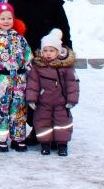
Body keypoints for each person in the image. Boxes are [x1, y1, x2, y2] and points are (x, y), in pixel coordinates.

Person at [5, 0, 72, 146]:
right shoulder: (14, 0)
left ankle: (41, 131)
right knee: (23, 95)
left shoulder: (53, 3)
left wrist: (65, 54)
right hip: (18, 58)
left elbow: (64, 31)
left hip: (46, 59)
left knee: (44, 96)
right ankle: (28, 127)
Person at [0, 2, 32, 153]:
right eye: (2, 18)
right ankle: (1, 138)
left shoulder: (21, 40)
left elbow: (29, 59)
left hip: (19, 81)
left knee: (19, 110)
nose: (6, 21)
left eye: (9, 18)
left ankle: (18, 138)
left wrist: (32, 77)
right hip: (0, 81)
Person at [26, 29, 79, 157]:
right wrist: (32, 99)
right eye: (45, 51)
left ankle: (62, 144)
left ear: (58, 51)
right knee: (42, 121)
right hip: (44, 102)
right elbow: (33, 84)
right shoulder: (38, 67)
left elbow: (72, 84)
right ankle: (45, 143)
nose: (48, 54)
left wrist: (71, 100)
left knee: (62, 122)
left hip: (61, 102)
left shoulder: (65, 67)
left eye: (51, 51)